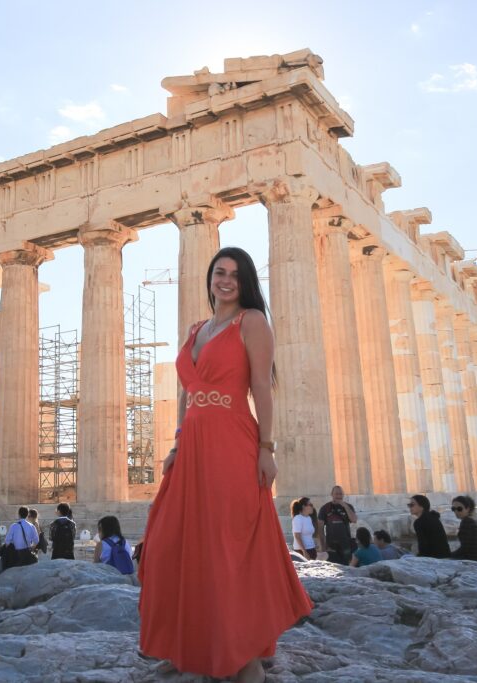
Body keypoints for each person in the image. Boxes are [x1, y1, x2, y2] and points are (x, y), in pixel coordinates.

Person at [139, 247, 313, 683]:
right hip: (193, 443)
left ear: (246, 280)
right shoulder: (196, 328)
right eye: (220, 272)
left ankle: (246, 653)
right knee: (172, 542)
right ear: (210, 277)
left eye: (236, 274)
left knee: (229, 546)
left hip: (233, 440)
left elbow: (262, 387)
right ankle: (187, 645)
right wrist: (177, 443)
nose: (227, 280)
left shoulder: (252, 322)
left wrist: (267, 448)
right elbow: (185, 393)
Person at [318, 486, 358, 565]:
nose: (338, 496)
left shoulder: (348, 506)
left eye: (340, 494)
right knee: (333, 565)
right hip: (331, 544)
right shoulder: (325, 508)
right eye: (336, 494)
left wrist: (345, 506)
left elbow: (354, 520)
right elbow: (320, 529)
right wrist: (323, 546)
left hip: (346, 543)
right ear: (332, 494)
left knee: (347, 564)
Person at [449, 496, 477, 562]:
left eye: (459, 509)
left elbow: (465, 548)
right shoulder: (472, 520)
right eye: (453, 509)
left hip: (474, 561)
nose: (456, 511)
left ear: (468, 509)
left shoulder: (467, 522)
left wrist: (449, 555)